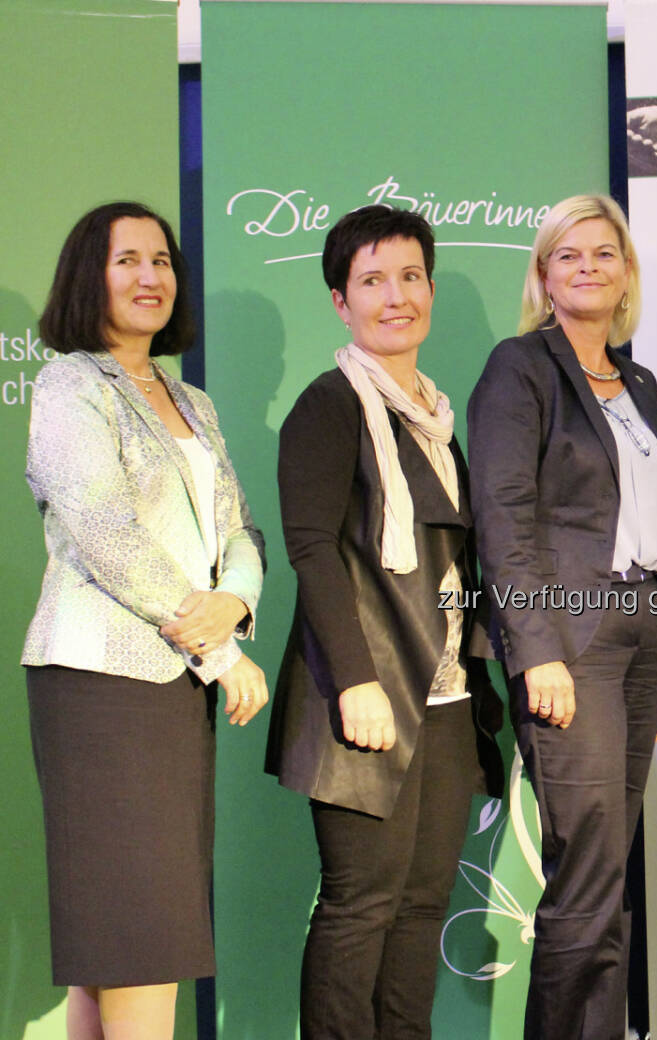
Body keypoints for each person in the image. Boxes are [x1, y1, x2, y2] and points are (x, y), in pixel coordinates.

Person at [24, 201, 267, 1039]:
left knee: (124, 937)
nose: (149, 277)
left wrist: (236, 601)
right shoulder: (69, 385)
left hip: (173, 686)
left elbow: (237, 527)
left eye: (161, 261)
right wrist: (219, 647)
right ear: (89, 274)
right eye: (127, 260)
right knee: (136, 935)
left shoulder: (191, 398)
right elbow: (103, 529)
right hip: (99, 682)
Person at [265, 206, 504, 1039]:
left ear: (430, 288)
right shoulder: (329, 406)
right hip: (361, 699)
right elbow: (311, 549)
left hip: (442, 700)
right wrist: (357, 681)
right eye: (372, 281)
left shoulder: (435, 419)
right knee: (361, 906)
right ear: (341, 301)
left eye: (409, 277)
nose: (394, 296)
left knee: (420, 906)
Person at [468, 194, 657, 1040]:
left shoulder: (640, 381)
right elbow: (504, 514)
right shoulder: (519, 368)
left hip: (641, 635)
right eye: (569, 255)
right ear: (544, 276)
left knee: (610, 874)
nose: (589, 267)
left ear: (625, 273)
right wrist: (536, 651)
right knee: (587, 877)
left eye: (604, 253)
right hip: (570, 643)